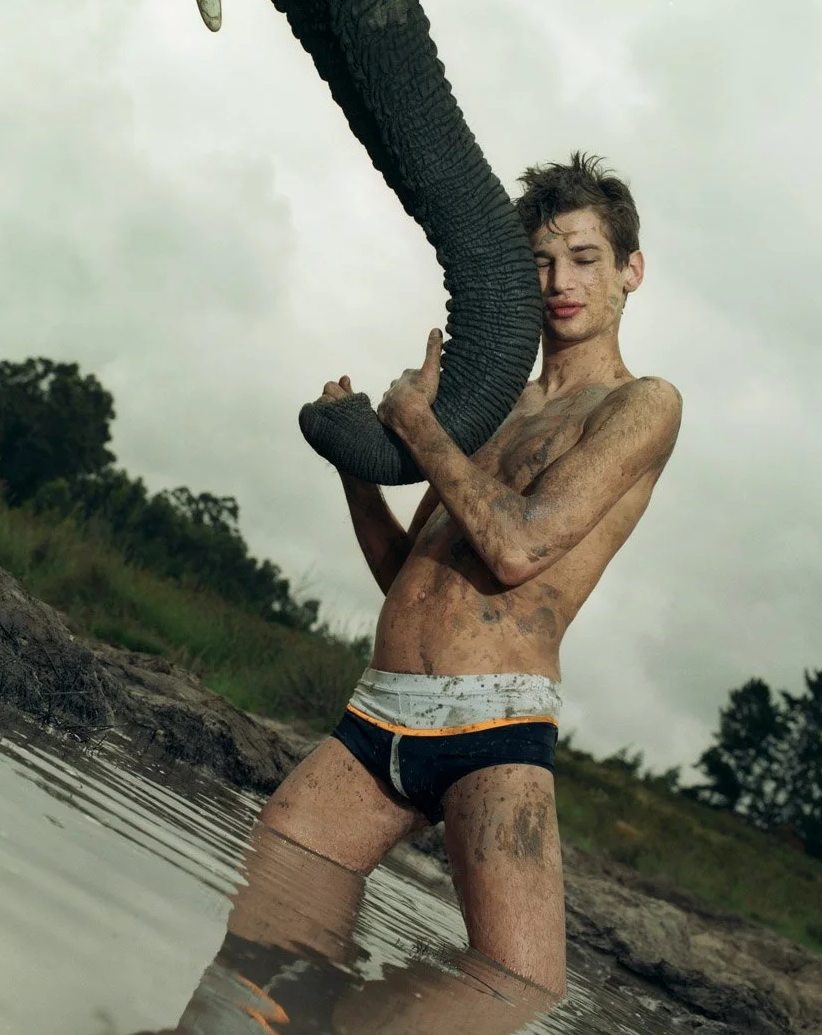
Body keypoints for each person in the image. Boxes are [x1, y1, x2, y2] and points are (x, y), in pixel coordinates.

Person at [258, 152, 682, 997]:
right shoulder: (490, 404)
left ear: (631, 270)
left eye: (585, 258)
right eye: (539, 262)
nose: (560, 280)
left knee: (512, 983)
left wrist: (418, 425)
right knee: (249, 972)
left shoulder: (641, 404)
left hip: (493, 726)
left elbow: (521, 546)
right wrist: (356, 463)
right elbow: (406, 578)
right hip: (377, 714)